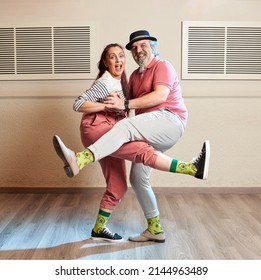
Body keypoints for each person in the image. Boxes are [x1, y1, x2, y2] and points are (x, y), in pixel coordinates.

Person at [53, 30, 210, 243]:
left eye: (143, 45)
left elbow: (159, 96)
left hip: (168, 119)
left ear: (152, 46)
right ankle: (155, 228)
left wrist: (123, 105)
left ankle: (81, 159)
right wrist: (118, 103)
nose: (138, 50)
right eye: (134, 48)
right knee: (137, 179)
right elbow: (119, 103)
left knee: (126, 127)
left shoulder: (163, 66)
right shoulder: (133, 77)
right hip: (148, 129)